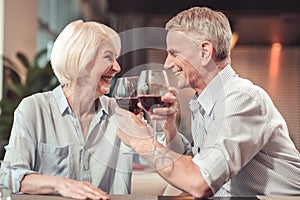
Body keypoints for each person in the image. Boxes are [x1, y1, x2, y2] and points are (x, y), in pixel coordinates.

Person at [117, 7, 300, 198]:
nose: (167, 64)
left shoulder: (241, 99)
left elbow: (200, 182)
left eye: (174, 53)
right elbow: (193, 165)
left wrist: (142, 142)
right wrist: (169, 127)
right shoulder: (205, 102)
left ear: (205, 52)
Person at [0, 20, 133, 199]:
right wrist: (61, 185)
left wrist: (168, 126)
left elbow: (166, 154)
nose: (117, 67)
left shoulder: (120, 113)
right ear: (81, 59)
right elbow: (9, 175)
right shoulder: (34, 109)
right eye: (108, 57)